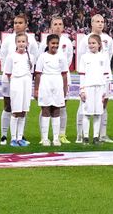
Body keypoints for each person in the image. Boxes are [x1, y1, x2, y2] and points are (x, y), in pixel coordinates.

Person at [0, 14, 38, 145]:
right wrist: (8, 75)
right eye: (15, 22)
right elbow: (3, 56)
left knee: (23, 108)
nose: (17, 25)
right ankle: (4, 135)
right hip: (11, 77)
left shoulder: (31, 40)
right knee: (8, 106)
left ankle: (21, 136)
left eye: (20, 22)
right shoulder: (8, 40)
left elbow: (33, 59)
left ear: (26, 24)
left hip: (24, 79)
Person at [78, 14, 113, 143]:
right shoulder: (85, 39)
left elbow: (109, 56)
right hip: (89, 80)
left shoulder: (108, 39)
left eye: (102, 22)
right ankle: (81, 135)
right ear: (92, 23)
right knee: (85, 107)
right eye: (97, 21)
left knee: (103, 105)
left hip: (103, 77)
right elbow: (80, 56)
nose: (100, 24)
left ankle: (102, 135)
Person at [34, 33, 70, 147]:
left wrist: (65, 89)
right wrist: (36, 89)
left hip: (58, 83)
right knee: (45, 110)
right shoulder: (42, 57)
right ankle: (44, 138)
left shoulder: (61, 57)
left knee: (56, 110)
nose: (55, 45)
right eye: (53, 43)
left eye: (57, 43)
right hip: (45, 83)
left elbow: (64, 74)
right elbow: (38, 74)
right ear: (47, 44)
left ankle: (55, 138)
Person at [41, 16, 74, 144]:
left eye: (60, 24)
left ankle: (61, 134)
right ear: (51, 27)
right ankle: (43, 136)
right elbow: (41, 59)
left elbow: (69, 59)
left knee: (62, 106)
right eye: (55, 24)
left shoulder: (68, 42)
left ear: (63, 27)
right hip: (48, 78)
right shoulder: (45, 41)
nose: (58, 26)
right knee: (45, 107)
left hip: (63, 76)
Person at [6, 32, 34, 146]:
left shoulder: (30, 56)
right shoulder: (11, 56)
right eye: (19, 41)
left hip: (26, 83)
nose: (21, 44)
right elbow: (8, 73)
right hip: (16, 83)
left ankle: (20, 137)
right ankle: (13, 138)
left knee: (23, 111)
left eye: (23, 41)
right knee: (16, 111)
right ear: (15, 43)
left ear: (27, 43)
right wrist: (13, 85)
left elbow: (30, 71)